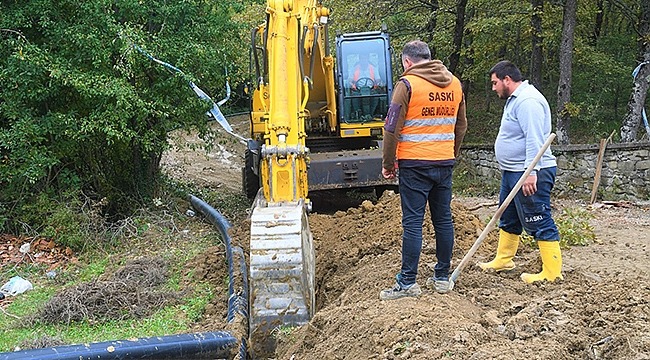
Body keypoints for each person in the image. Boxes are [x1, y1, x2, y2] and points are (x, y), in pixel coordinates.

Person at [380, 40, 467, 300]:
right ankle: (442, 277)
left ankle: (407, 282)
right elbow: (461, 126)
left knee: (413, 223)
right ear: (429, 58)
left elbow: (391, 127)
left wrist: (388, 163)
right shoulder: (454, 83)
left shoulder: (407, 84)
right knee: (443, 219)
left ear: (407, 62)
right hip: (443, 162)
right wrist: (451, 154)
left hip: (414, 164)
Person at [477, 60, 563, 284]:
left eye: (495, 83)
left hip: (529, 172)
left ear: (507, 79)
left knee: (538, 217)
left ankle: (552, 273)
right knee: (508, 217)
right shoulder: (515, 100)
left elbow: (535, 139)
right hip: (513, 171)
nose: (493, 88)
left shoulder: (528, 101)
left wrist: (530, 173)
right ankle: (504, 260)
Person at [347, 53, 382, 118]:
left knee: (376, 96)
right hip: (358, 90)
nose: (363, 60)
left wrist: (377, 84)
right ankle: (358, 114)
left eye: (365, 58)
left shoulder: (373, 68)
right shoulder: (354, 68)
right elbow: (350, 80)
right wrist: (352, 85)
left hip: (371, 90)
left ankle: (372, 113)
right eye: (362, 58)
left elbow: (378, 80)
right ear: (360, 59)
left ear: (368, 59)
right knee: (354, 97)